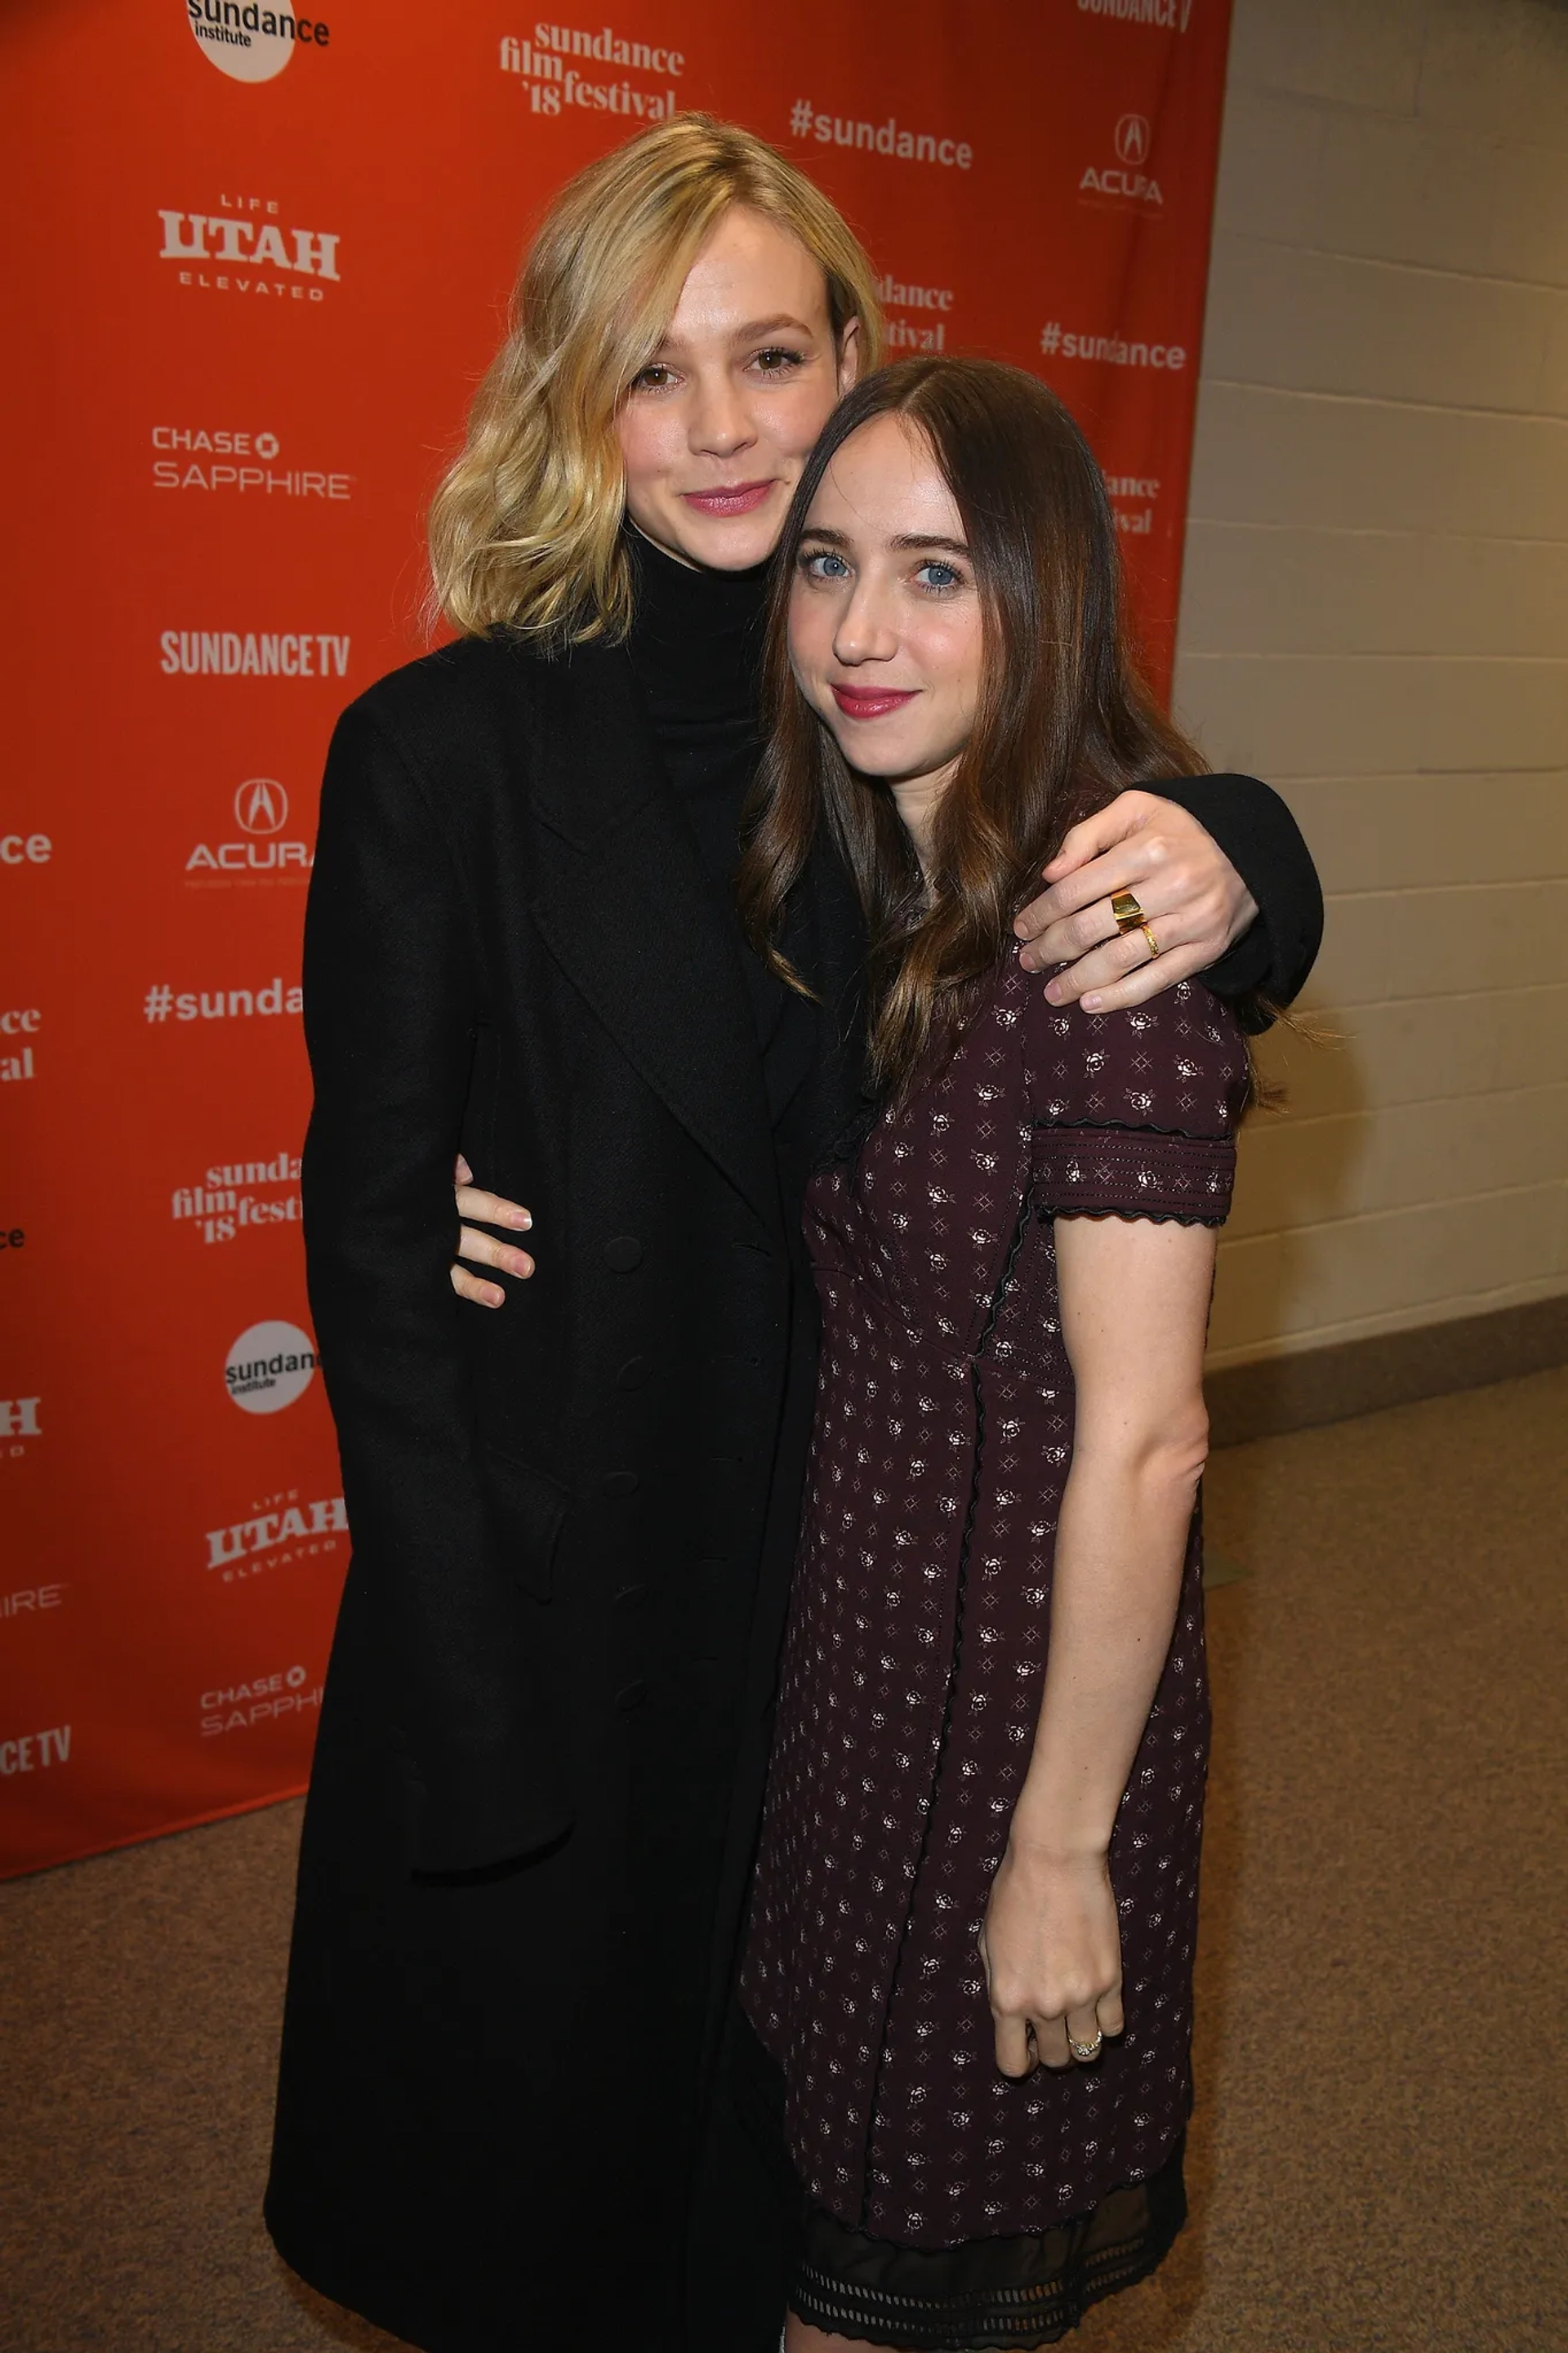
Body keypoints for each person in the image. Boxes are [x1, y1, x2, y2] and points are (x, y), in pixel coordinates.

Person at [265, 116, 1321, 2353]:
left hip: (846, 1620)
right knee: (544, 2196)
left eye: (770, 355)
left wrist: (1251, 851)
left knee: (789, 2195)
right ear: (572, 397)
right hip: (563, 1611)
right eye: (655, 373)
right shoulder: (437, 752)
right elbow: (372, 1255)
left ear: (854, 359)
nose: (724, 427)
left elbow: (1111, 786)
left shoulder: (872, 709)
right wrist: (474, 1716)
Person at [736, 356, 1248, 2350]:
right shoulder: (885, 886)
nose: (862, 633)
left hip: (1014, 1737)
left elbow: (1147, 1445)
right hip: (864, 1693)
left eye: (938, 576)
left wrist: (1060, 1853)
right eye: (829, 568)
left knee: (889, 2297)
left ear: (1044, 601)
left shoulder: (1110, 947)